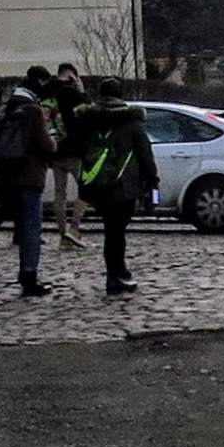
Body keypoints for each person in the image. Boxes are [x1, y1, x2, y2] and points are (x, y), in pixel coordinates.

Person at [67, 78, 157, 297]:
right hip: (124, 187)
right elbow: (145, 155)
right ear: (120, 96)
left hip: (97, 187)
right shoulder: (133, 123)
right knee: (117, 233)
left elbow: (75, 148)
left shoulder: (87, 121)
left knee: (112, 230)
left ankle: (118, 270)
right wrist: (152, 182)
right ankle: (114, 277)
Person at [0, 68, 62, 299]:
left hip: (6, 175)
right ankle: (30, 275)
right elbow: (46, 145)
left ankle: (26, 272)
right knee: (32, 227)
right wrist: (55, 139)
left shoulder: (7, 108)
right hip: (29, 176)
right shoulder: (33, 110)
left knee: (22, 226)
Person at [48, 61, 88, 250]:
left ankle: (63, 234)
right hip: (75, 149)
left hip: (55, 150)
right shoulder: (72, 94)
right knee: (86, 189)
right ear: (72, 76)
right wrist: (82, 91)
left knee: (59, 193)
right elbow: (88, 112)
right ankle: (74, 229)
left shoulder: (48, 93)